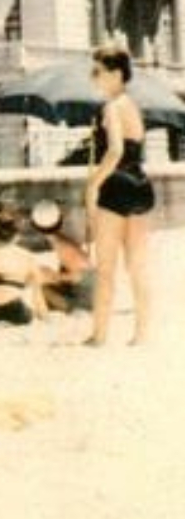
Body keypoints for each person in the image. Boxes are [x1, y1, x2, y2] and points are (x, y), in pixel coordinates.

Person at [85, 46, 154, 346]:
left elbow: (115, 150)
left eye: (97, 71)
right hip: (139, 185)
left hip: (115, 187)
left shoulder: (112, 107)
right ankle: (142, 333)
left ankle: (100, 335)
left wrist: (93, 183)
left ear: (115, 74)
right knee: (137, 265)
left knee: (106, 267)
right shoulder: (133, 106)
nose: (93, 78)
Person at [30, 200, 94, 314]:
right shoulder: (61, 240)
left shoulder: (62, 246)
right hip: (85, 292)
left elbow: (81, 276)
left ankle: (44, 315)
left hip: (85, 302)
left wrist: (55, 276)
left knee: (39, 285)